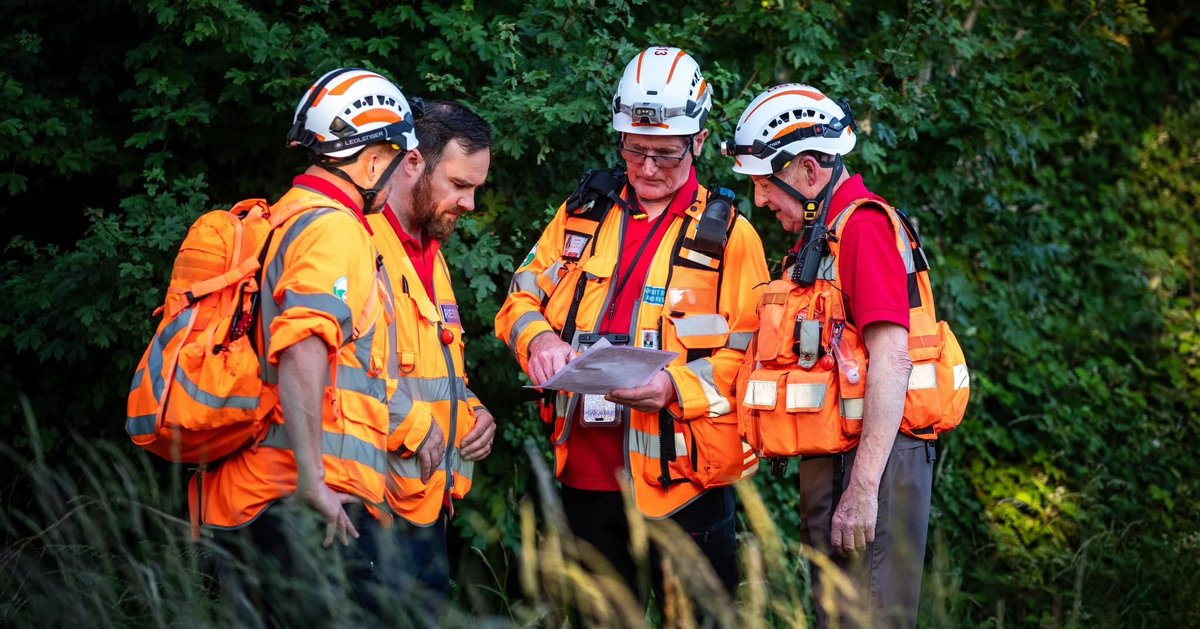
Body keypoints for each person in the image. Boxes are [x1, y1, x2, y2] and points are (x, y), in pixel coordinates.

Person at [494, 46, 769, 611]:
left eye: (665, 155)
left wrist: (673, 388)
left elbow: (749, 360)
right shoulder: (582, 214)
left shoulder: (731, 238)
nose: (645, 168)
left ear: (697, 140)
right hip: (587, 478)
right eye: (634, 149)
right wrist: (540, 339)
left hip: (686, 484)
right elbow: (521, 296)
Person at [196, 68, 444, 626]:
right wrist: (313, 481)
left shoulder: (287, 215)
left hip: (257, 496)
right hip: (294, 499)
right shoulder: (335, 228)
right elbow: (303, 344)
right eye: (399, 157)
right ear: (374, 158)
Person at [723, 84, 954, 628]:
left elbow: (891, 357)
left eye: (763, 182)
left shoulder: (862, 228)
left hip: (873, 463)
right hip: (843, 462)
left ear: (808, 170)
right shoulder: (823, 233)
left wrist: (864, 490)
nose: (758, 199)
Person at [361, 100, 495, 620]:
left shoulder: (429, 251)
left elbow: (431, 371)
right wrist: (416, 428)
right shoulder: (358, 242)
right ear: (413, 162)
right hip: (369, 509)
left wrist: (473, 410)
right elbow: (340, 370)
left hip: (426, 506)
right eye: (460, 185)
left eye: (475, 189)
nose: (470, 203)